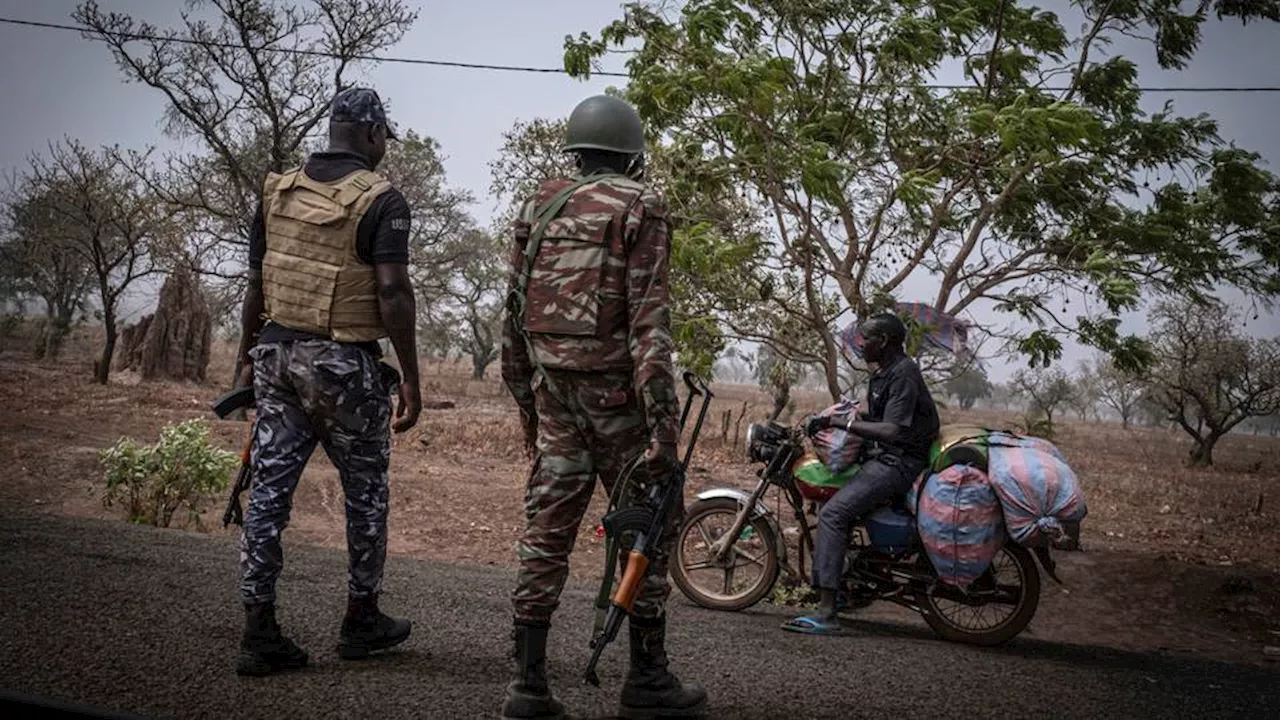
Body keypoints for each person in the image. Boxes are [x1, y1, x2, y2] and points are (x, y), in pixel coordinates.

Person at [499, 94, 707, 719]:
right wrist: (664, 431)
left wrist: (527, 405)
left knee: (546, 534)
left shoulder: (540, 203)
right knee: (650, 524)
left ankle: (528, 687)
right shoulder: (641, 205)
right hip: (620, 406)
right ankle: (647, 683)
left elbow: (510, 317)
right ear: (633, 156)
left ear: (576, 151)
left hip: (555, 398)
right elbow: (650, 327)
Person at [232, 87, 421, 676]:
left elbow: (257, 286)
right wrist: (411, 379)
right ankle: (361, 619)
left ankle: (258, 629)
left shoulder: (277, 191)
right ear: (371, 134)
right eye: (385, 135)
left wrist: (244, 356)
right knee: (365, 495)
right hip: (343, 369)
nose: (385, 144)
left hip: (276, 358)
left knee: (267, 494)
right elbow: (392, 292)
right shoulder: (383, 201)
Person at [782, 312, 940, 635]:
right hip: (885, 457)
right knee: (832, 506)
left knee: (833, 513)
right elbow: (877, 415)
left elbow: (892, 429)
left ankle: (827, 614)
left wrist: (842, 423)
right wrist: (832, 415)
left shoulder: (904, 373)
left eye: (866, 338)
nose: (861, 343)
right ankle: (844, 584)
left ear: (883, 341)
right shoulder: (885, 373)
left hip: (899, 463)